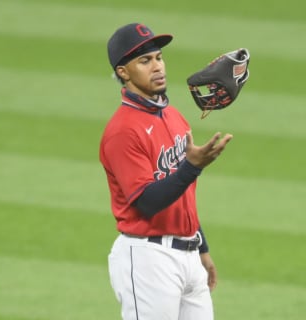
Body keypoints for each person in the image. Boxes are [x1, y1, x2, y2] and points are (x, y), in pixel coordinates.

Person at [99, 22, 233, 320]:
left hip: (188, 256)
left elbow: (181, 194)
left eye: (158, 57)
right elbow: (146, 202)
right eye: (144, 61)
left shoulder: (173, 117)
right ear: (123, 72)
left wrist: (202, 247)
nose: (157, 66)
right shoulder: (122, 131)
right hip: (148, 258)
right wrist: (192, 166)